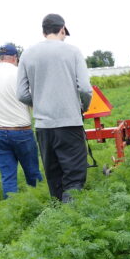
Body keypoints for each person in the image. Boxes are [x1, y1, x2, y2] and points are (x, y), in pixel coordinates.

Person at [16, 13, 92, 203]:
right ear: (62, 29)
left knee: (54, 176)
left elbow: (21, 93)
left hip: (44, 127)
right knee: (73, 176)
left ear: (43, 32)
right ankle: (70, 217)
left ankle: (57, 216)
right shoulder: (72, 52)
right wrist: (82, 107)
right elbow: (85, 88)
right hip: (69, 123)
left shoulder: (27, 54)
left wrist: (40, 102)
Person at [0, 43, 42, 197]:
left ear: (0, 58)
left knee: (8, 175)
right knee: (32, 172)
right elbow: (34, 101)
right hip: (22, 131)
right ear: (15, 58)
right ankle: (40, 201)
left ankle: (11, 208)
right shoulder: (20, 73)